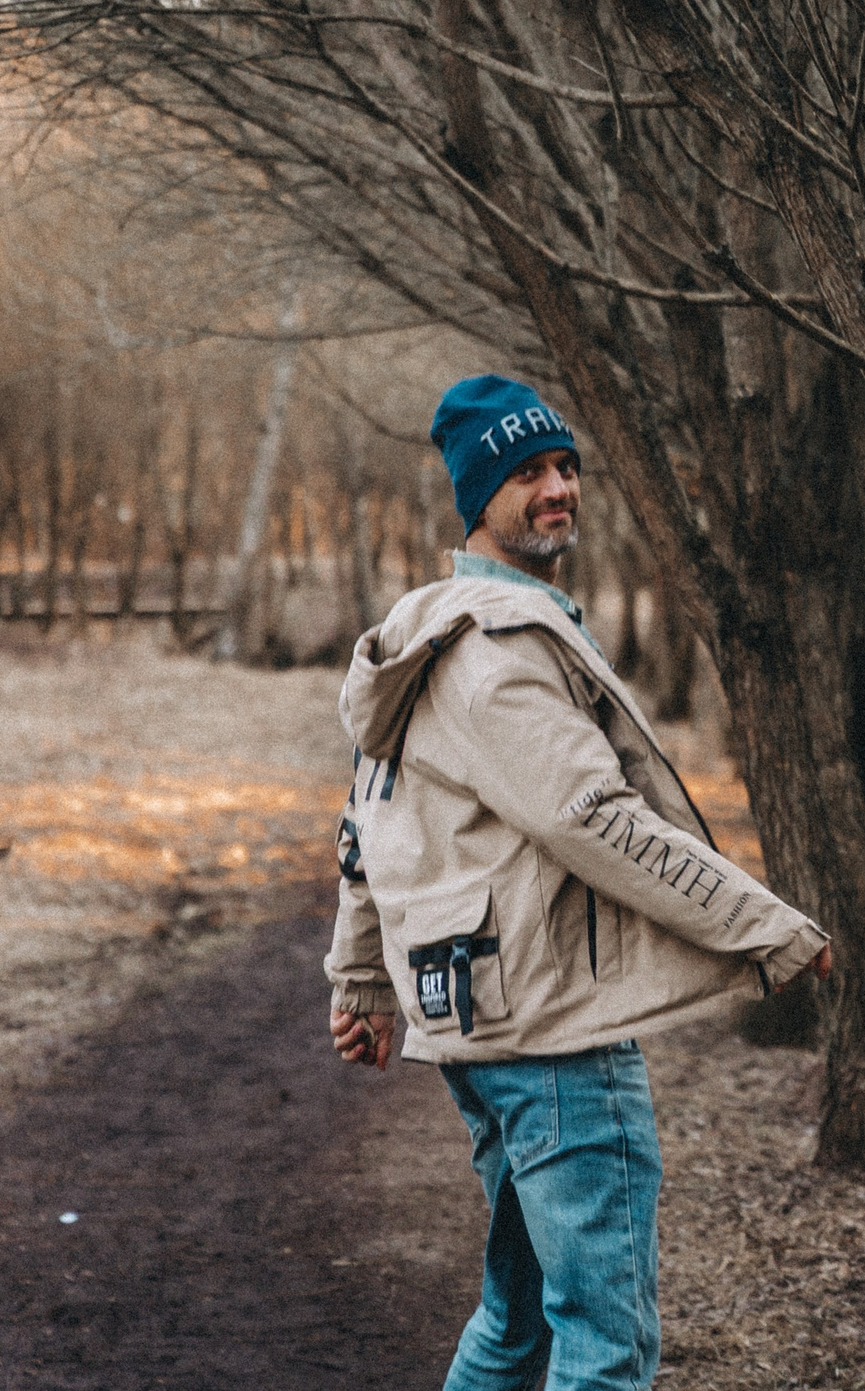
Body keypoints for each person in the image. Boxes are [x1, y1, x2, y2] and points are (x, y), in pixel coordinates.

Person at [324, 374, 832, 1391]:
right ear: (479, 499)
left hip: (483, 1021)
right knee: (604, 1346)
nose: (557, 489)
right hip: (557, 1036)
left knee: (519, 1327)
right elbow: (589, 819)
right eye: (526, 474)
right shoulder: (499, 651)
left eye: (565, 467)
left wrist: (363, 979)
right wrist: (766, 929)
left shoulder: (428, 636)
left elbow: (364, 824)